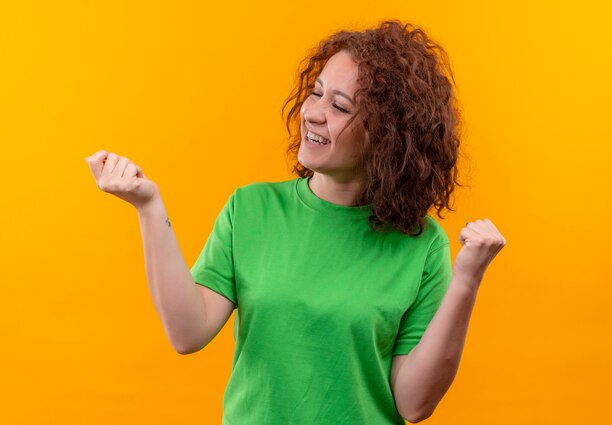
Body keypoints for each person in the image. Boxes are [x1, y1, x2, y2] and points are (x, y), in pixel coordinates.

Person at [85, 19, 506, 425]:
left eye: (339, 106)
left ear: (388, 135)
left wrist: (467, 280)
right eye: (316, 93)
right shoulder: (250, 210)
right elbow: (187, 332)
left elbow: (414, 403)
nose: (314, 113)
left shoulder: (421, 243)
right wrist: (149, 207)